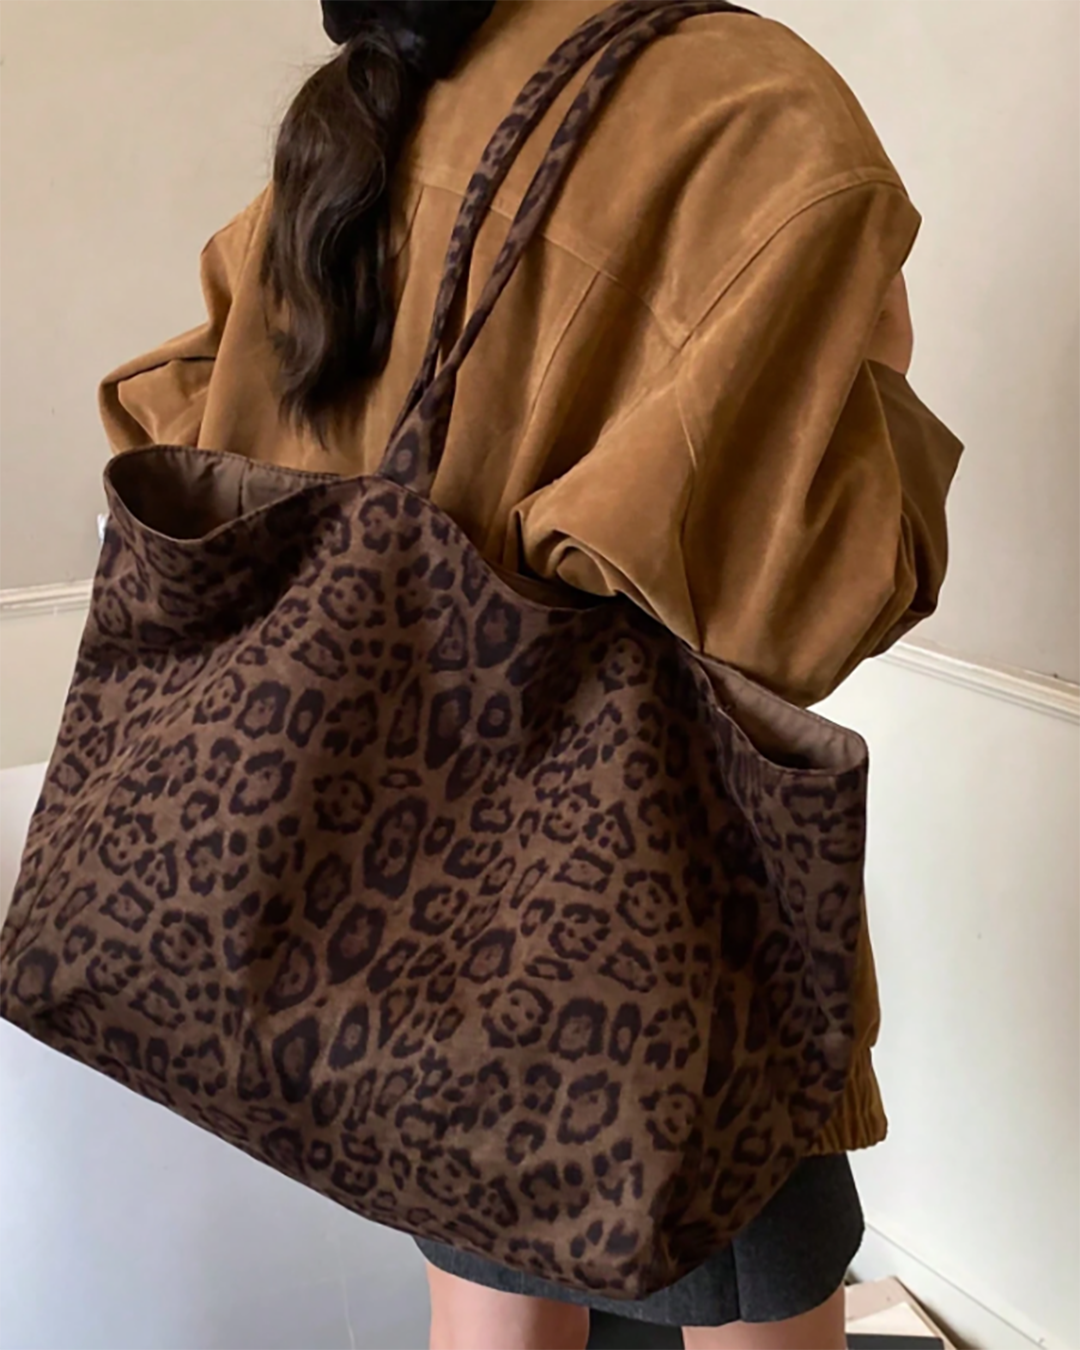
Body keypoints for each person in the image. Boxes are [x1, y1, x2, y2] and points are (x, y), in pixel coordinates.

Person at [99, 0, 964, 1346]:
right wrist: (884, 383)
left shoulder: (390, 89)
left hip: (391, 922)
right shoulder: (752, 108)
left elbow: (186, 423)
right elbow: (804, 607)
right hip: (654, 929)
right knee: (760, 1302)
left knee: (489, 1324)